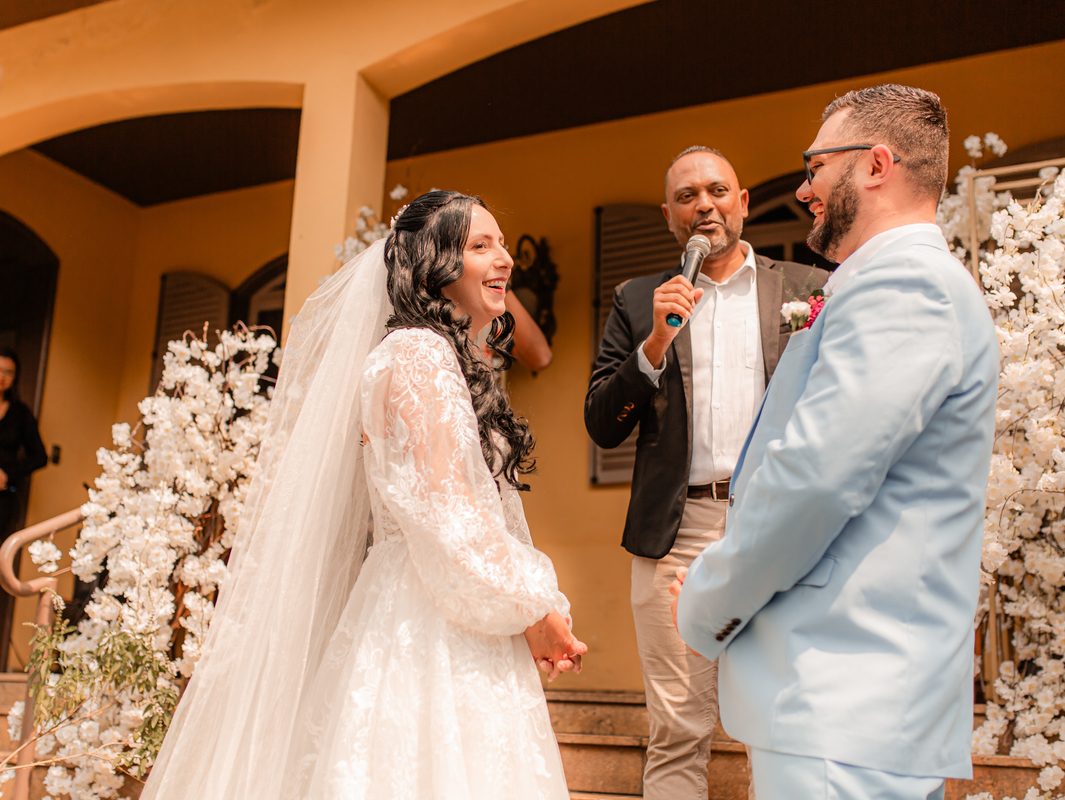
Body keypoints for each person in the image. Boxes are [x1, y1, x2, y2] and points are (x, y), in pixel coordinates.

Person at [143, 191, 586, 800]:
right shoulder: (418, 354)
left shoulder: (439, 357)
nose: (505, 259)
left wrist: (526, 603)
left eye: (502, 243)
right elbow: (444, 509)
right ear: (436, 266)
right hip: (431, 618)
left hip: (450, 598)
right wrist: (533, 608)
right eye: (480, 245)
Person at [672, 85, 999, 800]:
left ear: (875, 164)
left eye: (816, 164)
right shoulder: (882, 283)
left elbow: (817, 479)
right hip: (842, 699)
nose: (803, 186)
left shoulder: (907, 285)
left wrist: (707, 596)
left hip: (846, 691)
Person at [585, 147, 826, 799]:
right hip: (677, 532)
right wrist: (653, 346)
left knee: (783, 724)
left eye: (717, 190)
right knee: (678, 728)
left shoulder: (808, 291)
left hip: (778, 528)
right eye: (687, 196)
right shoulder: (638, 301)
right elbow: (603, 423)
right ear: (670, 217)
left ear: (742, 202)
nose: (704, 205)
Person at [0, 347, 48, 537]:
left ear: (15, 377)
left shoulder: (20, 413)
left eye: (8, 372)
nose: (2, 376)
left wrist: (7, 474)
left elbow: (40, 457)